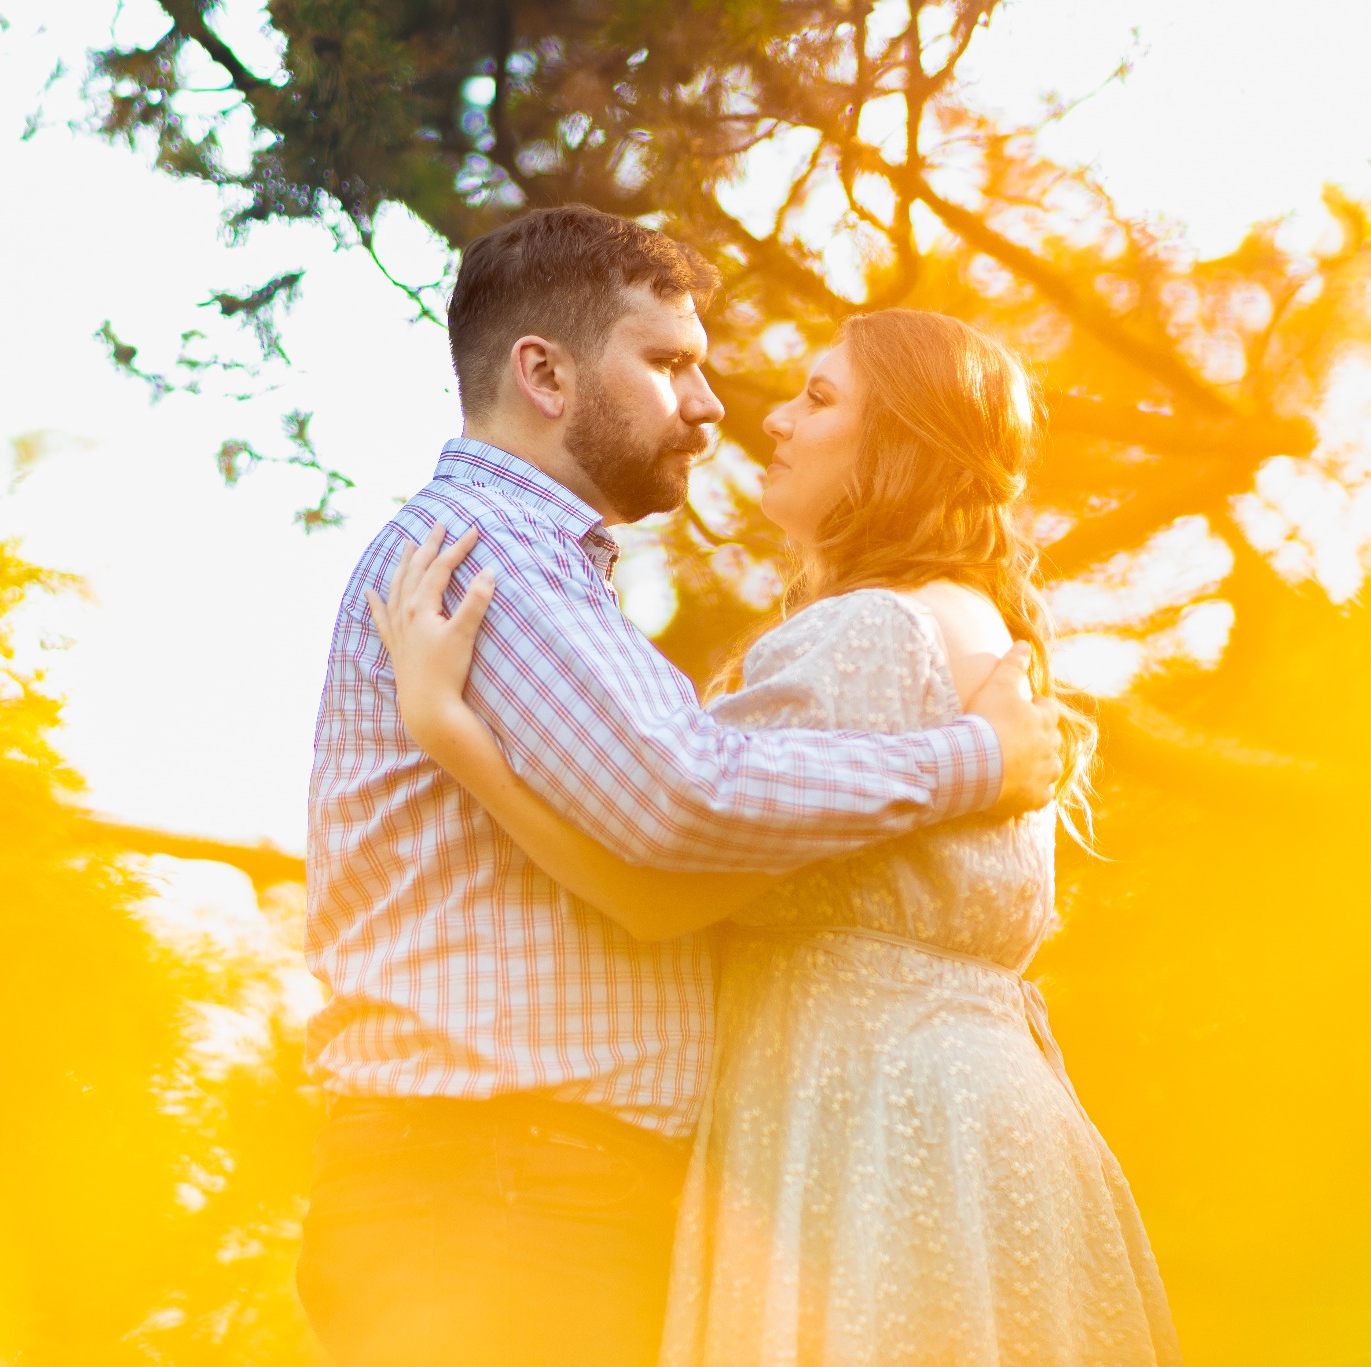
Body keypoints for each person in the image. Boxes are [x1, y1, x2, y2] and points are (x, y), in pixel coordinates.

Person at [299, 206, 1079, 1367]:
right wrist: (974, 761)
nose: (713, 406)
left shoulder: (545, 566)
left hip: (532, 1183)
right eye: (667, 363)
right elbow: (684, 798)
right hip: (498, 1185)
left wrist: (454, 738)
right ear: (544, 373)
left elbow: (661, 880)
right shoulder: (493, 552)